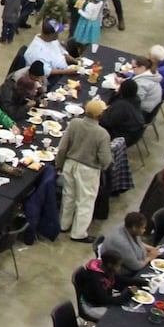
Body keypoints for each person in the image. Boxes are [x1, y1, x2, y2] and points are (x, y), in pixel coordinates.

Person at [58, 97, 113, 242]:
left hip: (70, 164)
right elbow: (105, 158)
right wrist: (105, 166)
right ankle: (78, 233)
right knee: (85, 202)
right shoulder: (102, 134)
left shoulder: (75, 123)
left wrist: (59, 164)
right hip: (88, 169)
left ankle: (63, 224)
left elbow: (63, 147)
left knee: (68, 195)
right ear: (100, 115)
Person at [74, 250, 133, 321]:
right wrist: (126, 295)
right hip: (92, 307)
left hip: (101, 301)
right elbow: (104, 300)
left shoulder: (106, 269)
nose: (119, 268)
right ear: (110, 265)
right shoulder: (95, 279)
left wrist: (145, 283)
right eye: (117, 266)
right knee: (120, 319)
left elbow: (121, 279)